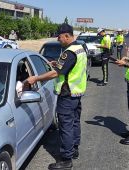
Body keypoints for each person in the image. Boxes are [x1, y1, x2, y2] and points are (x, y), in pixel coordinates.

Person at [26, 23, 87, 170]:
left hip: (67, 94)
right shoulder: (80, 49)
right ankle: (74, 149)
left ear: (66, 35)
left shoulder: (69, 52)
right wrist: (57, 63)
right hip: (76, 93)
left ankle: (66, 159)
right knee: (74, 122)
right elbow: (69, 67)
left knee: (65, 126)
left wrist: (36, 78)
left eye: (59, 37)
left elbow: (56, 73)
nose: (58, 40)